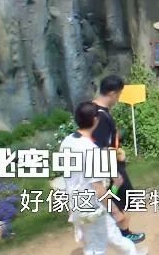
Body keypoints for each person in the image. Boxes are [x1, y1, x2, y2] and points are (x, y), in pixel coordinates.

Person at [60, 102, 142, 255]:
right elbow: (98, 189)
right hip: (92, 208)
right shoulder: (90, 149)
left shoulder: (67, 142)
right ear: (95, 120)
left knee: (111, 239)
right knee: (97, 247)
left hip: (77, 204)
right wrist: (115, 211)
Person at [92, 75, 146, 244]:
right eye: (119, 94)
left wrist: (118, 151)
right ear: (112, 93)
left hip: (111, 162)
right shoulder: (100, 116)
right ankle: (123, 234)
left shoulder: (95, 109)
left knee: (118, 199)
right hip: (109, 166)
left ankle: (119, 231)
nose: (119, 98)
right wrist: (114, 172)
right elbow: (101, 148)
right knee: (119, 199)